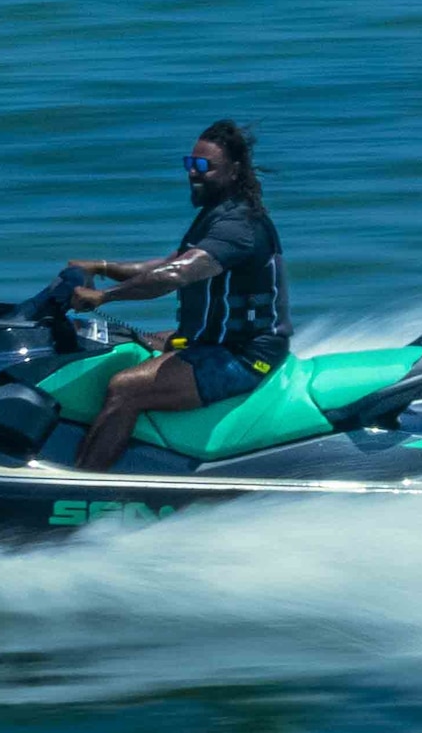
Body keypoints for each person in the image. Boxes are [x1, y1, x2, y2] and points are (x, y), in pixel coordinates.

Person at [42, 121, 289, 476]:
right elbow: (167, 264)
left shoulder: (239, 226)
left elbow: (176, 275)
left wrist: (104, 297)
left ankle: (85, 484)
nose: (193, 173)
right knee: (125, 344)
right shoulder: (219, 214)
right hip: (212, 341)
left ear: (234, 171)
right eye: (190, 163)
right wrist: (102, 265)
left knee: (125, 388)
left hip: (243, 355)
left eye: (204, 167)